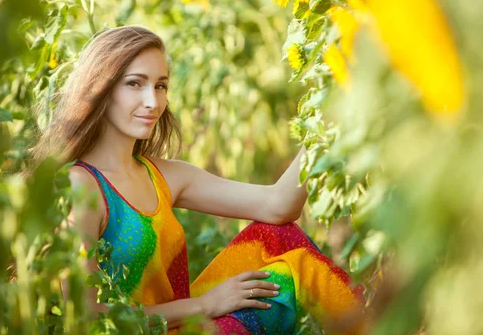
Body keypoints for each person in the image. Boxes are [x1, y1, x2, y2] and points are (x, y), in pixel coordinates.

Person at [30, 26, 367, 334]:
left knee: (279, 235)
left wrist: (331, 114)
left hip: (187, 323)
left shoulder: (164, 175)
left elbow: (278, 205)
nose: (153, 101)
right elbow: (88, 317)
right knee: (295, 271)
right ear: (101, 88)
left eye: (160, 86)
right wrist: (206, 304)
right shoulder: (81, 186)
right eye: (135, 83)